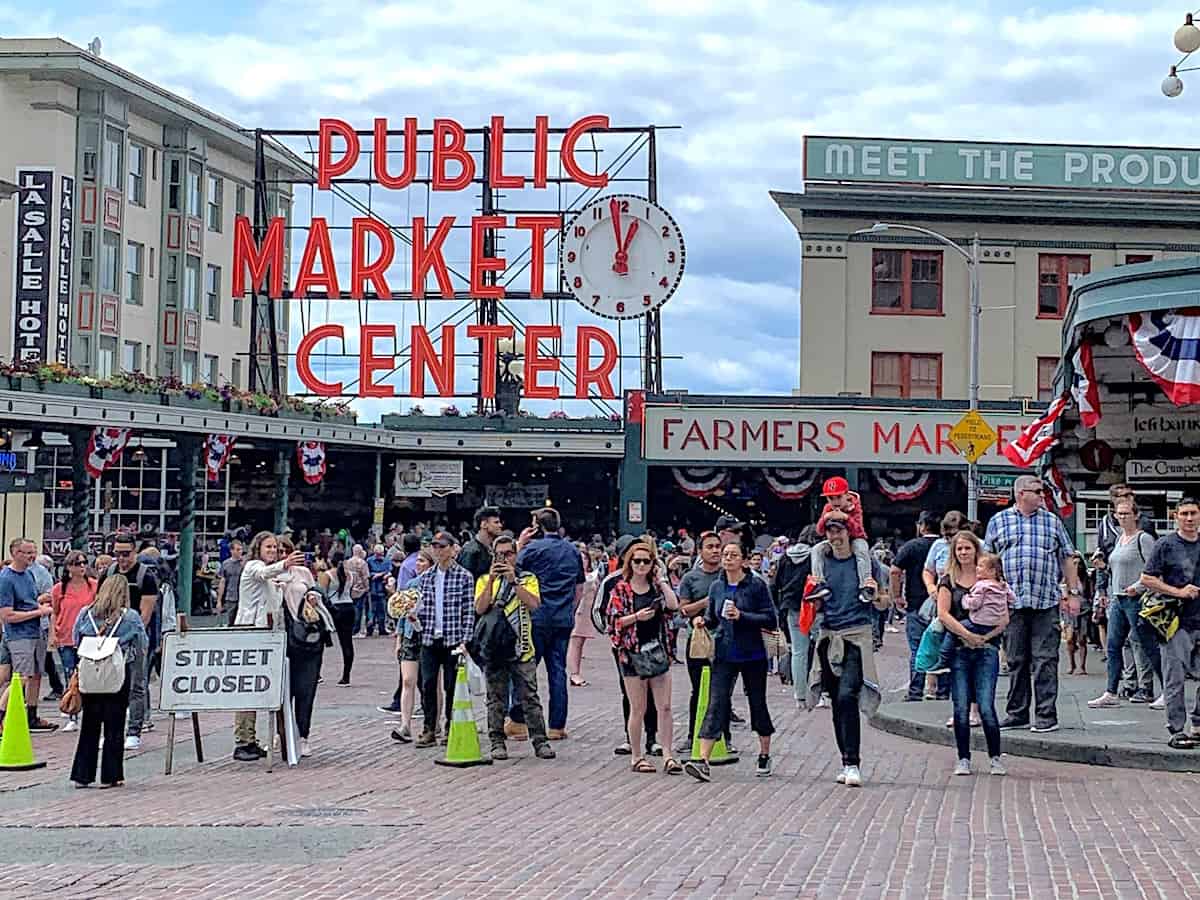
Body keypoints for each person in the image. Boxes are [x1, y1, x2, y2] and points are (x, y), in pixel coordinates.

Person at [984, 475, 1079, 733]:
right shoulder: (998, 521)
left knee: (1045, 659)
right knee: (1016, 659)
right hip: (1011, 603)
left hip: (1045, 600)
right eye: (1037, 491)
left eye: (1042, 491)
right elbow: (988, 562)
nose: (1041, 495)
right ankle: (1017, 713)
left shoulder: (1051, 521)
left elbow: (1068, 557)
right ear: (1020, 494)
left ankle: (1046, 715)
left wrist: (1073, 593)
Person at [805, 518, 889, 788]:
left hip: (856, 636)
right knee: (836, 701)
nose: (834, 535)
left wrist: (875, 596)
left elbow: (885, 601)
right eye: (830, 530)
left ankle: (853, 763)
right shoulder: (820, 561)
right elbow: (808, 603)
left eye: (839, 530)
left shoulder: (866, 562)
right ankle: (845, 760)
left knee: (847, 695)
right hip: (829, 636)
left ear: (849, 532)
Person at [684, 539, 776, 782]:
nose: (727, 558)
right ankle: (702, 760)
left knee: (757, 703)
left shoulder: (756, 586)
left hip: (753, 653)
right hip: (724, 653)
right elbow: (713, 617)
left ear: (744, 560)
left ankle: (764, 753)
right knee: (716, 702)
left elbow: (770, 619)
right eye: (726, 554)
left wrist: (742, 615)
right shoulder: (717, 587)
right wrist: (702, 621)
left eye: (733, 555)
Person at [475, 534, 556, 761]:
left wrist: (513, 581)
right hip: (494, 648)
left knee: (529, 696)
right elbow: (480, 608)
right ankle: (497, 741)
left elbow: (533, 604)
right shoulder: (484, 579)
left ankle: (540, 741)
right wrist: (492, 580)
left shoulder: (527, 578)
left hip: (521, 648)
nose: (504, 558)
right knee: (495, 697)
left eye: (508, 554)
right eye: (499, 554)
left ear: (516, 554)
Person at [936, 532, 1008, 777]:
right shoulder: (949, 580)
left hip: (987, 648)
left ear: (976, 550)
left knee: (987, 705)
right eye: (959, 549)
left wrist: (985, 638)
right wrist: (966, 635)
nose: (963, 553)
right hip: (959, 648)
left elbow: (1004, 614)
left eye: (967, 548)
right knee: (961, 706)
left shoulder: (992, 579)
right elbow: (943, 614)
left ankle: (995, 757)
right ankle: (963, 758)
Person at [607, 540, 682, 775]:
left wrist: (661, 579)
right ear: (629, 563)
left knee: (665, 706)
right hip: (632, 653)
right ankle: (637, 756)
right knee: (638, 707)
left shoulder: (657, 587)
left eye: (646, 561)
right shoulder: (620, 588)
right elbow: (613, 622)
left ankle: (668, 754)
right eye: (637, 561)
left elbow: (673, 605)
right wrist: (636, 617)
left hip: (658, 650)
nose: (641, 565)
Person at [232, 531, 305, 761]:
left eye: (276, 548)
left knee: (262, 686)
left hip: (269, 634)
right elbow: (264, 572)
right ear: (258, 549)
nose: (273, 551)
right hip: (251, 632)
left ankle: (252, 740)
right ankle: (243, 741)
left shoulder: (276, 575)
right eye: (269, 547)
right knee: (247, 686)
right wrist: (286, 563)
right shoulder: (253, 566)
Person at [69, 574, 147, 788]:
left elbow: (76, 639)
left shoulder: (86, 614)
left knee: (89, 724)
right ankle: (111, 775)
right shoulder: (129, 617)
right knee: (115, 724)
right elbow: (142, 643)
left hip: (90, 673)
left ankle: (82, 775)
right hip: (116, 673)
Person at [514, 508, 585, 740]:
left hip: (536, 617)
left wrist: (519, 544)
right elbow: (579, 587)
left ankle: (519, 720)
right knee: (557, 671)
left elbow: (513, 573)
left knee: (526, 669)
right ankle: (557, 726)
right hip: (562, 618)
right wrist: (570, 611)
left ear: (536, 526)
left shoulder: (532, 549)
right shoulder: (572, 550)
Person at [1138, 497, 1200, 749]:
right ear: (1176, 516)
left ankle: (1197, 725)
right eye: (1184, 513)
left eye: (1193, 513)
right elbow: (1147, 578)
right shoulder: (1166, 544)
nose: (1189, 518)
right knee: (1174, 676)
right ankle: (1176, 730)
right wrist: (1178, 592)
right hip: (1175, 621)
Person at [1089, 496, 1161, 709]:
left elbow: (1154, 568)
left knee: (1147, 645)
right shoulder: (1120, 538)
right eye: (1118, 514)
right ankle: (1110, 691)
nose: (1122, 517)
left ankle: (1167, 690)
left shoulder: (1144, 539)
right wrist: (1102, 567)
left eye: (1126, 513)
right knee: (1113, 646)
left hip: (1136, 598)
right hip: (1117, 598)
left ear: (1136, 515)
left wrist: (1137, 587)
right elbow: (1116, 568)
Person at [414, 531, 475, 748]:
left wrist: (465, 640)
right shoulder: (426, 577)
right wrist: (414, 619)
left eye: (442, 546)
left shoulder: (464, 576)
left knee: (452, 685)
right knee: (428, 683)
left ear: (452, 548)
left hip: (453, 638)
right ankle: (429, 727)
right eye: (435, 547)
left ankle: (451, 726)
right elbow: (420, 609)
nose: (438, 551)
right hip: (430, 637)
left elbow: (468, 611)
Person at [100, 533, 159, 750]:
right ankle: (111, 730)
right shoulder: (108, 573)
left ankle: (134, 729)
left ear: (134, 552)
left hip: (136, 639)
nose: (122, 559)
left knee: (136, 685)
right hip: (110, 638)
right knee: (109, 687)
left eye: (126, 554)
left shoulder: (146, 577)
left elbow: (145, 615)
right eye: (117, 554)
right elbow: (100, 605)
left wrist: (129, 635)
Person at [677, 531, 730, 749]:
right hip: (698, 639)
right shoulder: (691, 577)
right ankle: (693, 735)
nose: (715, 551)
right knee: (698, 689)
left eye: (718, 546)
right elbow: (683, 609)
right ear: (700, 551)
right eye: (710, 547)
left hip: (726, 638)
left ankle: (725, 737)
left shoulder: (729, 575)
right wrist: (707, 601)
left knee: (722, 690)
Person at [0, 538, 56, 732]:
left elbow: (28, 602)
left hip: (34, 631)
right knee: (20, 677)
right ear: (15, 553)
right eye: (27, 552)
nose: (32, 556)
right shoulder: (6, 579)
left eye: (33, 552)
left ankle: (31, 715)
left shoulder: (29, 575)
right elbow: (7, 614)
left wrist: (39, 606)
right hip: (19, 634)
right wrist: (38, 612)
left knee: (35, 675)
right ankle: (1, 713)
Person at [380, 548, 433, 736]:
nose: (418, 565)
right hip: (411, 635)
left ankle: (434, 723)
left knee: (431, 682)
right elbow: (402, 612)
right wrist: (399, 638)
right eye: (417, 561)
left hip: (429, 635)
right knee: (408, 680)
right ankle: (405, 725)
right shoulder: (410, 584)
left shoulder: (434, 583)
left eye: (422, 561)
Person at [890, 511, 940, 702]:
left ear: (921, 526)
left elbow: (895, 571)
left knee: (917, 648)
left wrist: (896, 596)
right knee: (943, 647)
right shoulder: (945, 546)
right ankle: (942, 690)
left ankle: (915, 690)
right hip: (943, 604)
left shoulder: (911, 546)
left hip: (916, 603)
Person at [282, 581, 333, 758]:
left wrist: (315, 598)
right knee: (282, 694)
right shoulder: (269, 573)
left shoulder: (303, 574)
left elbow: (324, 599)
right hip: (282, 642)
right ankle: (281, 734)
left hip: (308, 644)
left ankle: (303, 736)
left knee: (306, 692)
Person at [807, 477, 874, 604]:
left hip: (854, 540)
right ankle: (820, 585)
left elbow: (858, 531)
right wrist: (826, 517)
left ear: (847, 495)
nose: (835, 501)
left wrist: (846, 518)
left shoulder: (854, 506)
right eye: (831, 498)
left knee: (862, 548)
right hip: (834, 543)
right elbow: (819, 531)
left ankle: (865, 586)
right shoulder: (828, 508)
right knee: (817, 549)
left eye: (838, 497)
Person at [50, 550, 96, 733]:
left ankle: (88, 711)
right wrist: (53, 634)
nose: (82, 566)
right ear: (69, 567)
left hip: (89, 636)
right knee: (71, 675)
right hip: (66, 636)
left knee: (88, 675)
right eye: (78, 563)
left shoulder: (93, 585)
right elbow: (54, 611)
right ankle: (72, 713)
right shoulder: (59, 589)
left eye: (84, 563)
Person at [773, 526, 819, 710]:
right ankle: (818, 691)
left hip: (792, 607)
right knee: (819, 649)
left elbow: (776, 583)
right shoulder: (816, 556)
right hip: (813, 606)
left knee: (799, 651)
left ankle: (800, 695)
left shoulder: (785, 557)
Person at [318, 551, 357, 686]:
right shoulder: (350, 575)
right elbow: (352, 591)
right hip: (349, 607)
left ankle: (317, 673)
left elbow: (322, 594)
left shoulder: (327, 575)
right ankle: (346, 676)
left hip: (333, 608)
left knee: (320, 640)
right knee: (347, 642)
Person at [567, 543, 600, 687]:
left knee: (580, 643)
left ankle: (576, 671)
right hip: (578, 611)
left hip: (588, 613)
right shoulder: (572, 576)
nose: (583, 562)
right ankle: (574, 674)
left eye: (585, 559)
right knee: (576, 642)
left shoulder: (592, 575)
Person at [1063, 553, 1094, 676]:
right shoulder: (1066, 578)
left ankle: (1082, 666)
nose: (1077, 566)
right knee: (1070, 639)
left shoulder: (1087, 578)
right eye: (1074, 563)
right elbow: (1063, 593)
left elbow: (1090, 594)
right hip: (1069, 611)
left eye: (1079, 563)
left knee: (1082, 639)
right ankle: (1072, 664)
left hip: (1084, 609)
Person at [458, 506, 502, 581]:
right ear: (484, 524)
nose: (500, 525)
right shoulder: (471, 551)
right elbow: (465, 581)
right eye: (496, 522)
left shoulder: (492, 548)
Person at [344, 545, 372, 636]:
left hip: (350, 588)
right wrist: (367, 587)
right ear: (360, 552)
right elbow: (365, 577)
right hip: (360, 589)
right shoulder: (362, 563)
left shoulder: (347, 562)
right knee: (359, 609)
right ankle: (356, 630)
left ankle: (350, 629)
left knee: (350, 609)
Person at [216, 539, 245, 625]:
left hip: (243, 597)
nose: (240, 552)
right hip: (230, 597)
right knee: (230, 621)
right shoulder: (226, 564)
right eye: (238, 549)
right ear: (232, 550)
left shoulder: (245, 563)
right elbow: (222, 582)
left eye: (241, 549)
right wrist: (219, 600)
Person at [367, 544, 393, 636]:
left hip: (382, 587)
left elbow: (390, 570)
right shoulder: (369, 560)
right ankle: (370, 628)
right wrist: (373, 575)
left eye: (381, 554)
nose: (379, 556)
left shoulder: (387, 561)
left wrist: (382, 574)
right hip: (372, 587)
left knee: (382, 608)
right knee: (371, 609)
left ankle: (382, 628)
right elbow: (366, 573)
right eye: (378, 554)